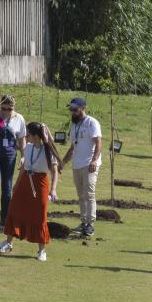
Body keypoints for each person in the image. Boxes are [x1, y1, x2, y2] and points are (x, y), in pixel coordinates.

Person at [0, 122, 61, 262]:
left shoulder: (48, 150)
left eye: (29, 134)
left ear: (36, 136)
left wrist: (53, 189)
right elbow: (24, 167)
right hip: (25, 181)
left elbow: (54, 172)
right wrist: (17, 185)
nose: (26, 136)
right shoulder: (29, 147)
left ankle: (42, 251)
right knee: (14, 210)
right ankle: (8, 243)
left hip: (41, 183)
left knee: (40, 215)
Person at [0, 95, 27, 226]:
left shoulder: (19, 119)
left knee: (7, 187)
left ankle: (4, 220)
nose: (6, 112)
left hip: (10, 155)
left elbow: (22, 138)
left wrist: (23, 155)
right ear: (0, 106)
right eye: (4, 108)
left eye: (9, 109)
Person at [61, 98, 102, 237]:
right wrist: (63, 162)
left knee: (89, 193)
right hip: (77, 164)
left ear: (83, 108)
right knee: (81, 195)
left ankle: (90, 224)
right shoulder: (74, 126)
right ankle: (83, 222)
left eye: (75, 109)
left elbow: (98, 143)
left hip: (89, 164)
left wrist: (94, 160)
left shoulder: (92, 122)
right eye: (71, 109)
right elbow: (73, 147)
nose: (72, 112)